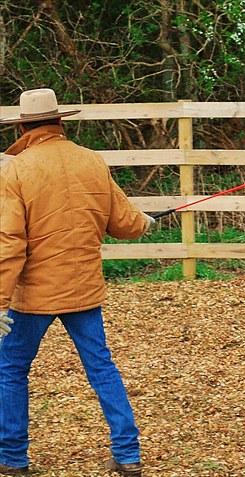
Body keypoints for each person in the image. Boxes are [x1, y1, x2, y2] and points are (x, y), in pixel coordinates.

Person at [0, 88, 154, 476]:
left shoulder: (14, 169)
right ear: (59, 122)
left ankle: (13, 458)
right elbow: (123, 222)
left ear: (22, 125)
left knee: (11, 370)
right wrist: (146, 222)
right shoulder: (92, 161)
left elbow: (9, 242)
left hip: (33, 295)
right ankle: (128, 453)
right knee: (101, 367)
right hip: (84, 289)